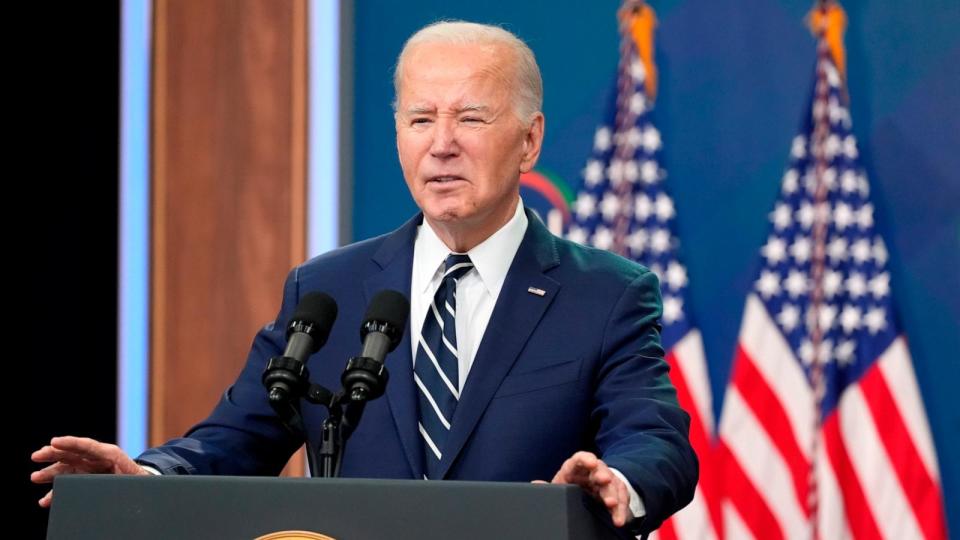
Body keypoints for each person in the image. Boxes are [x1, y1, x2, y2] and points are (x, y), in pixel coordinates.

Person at [32, 20, 696, 535]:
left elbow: (657, 440)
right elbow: (236, 438)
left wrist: (615, 480)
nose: (441, 143)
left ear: (530, 140)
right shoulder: (330, 290)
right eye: (419, 119)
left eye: (469, 117)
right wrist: (146, 476)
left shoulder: (605, 295)